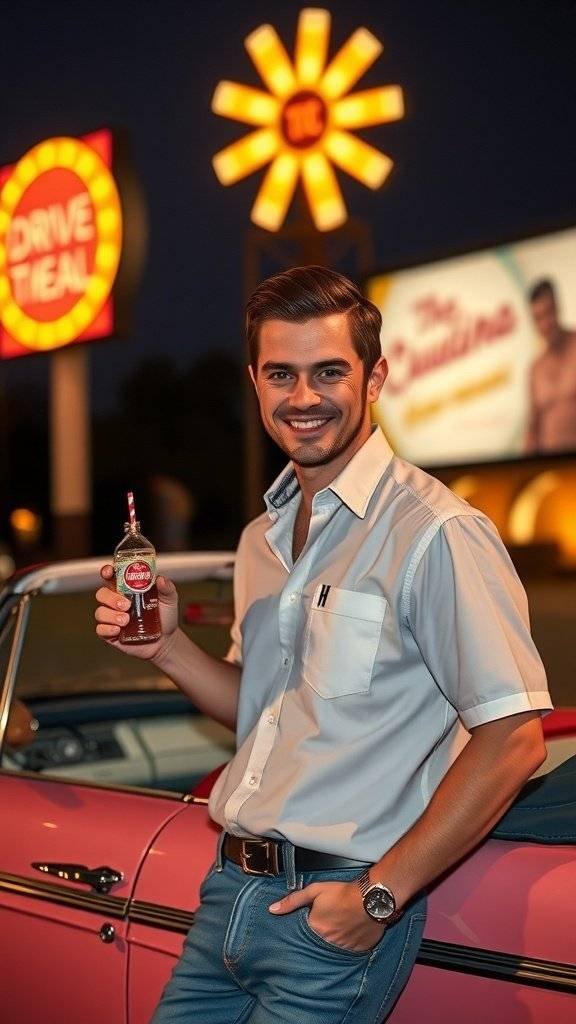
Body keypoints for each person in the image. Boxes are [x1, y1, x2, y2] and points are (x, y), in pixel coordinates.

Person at [95, 266, 552, 1024]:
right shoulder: (259, 539)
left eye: (328, 372)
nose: (302, 398)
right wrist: (169, 648)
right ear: (255, 381)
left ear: (375, 377)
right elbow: (262, 707)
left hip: (334, 912)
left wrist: (377, 897)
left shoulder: (435, 533)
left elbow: (513, 738)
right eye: (281, 374)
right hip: (228, 896)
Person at [525, 278, 576, 453]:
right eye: (538, 318)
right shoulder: (535, 369)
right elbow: (532, 430)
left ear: (557, 307)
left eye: (548, 313)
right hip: (551, 473)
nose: (545, 324)